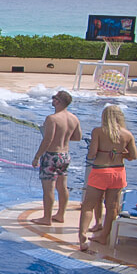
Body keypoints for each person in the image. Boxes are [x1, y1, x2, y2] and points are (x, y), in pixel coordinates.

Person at [79, 105, 137, 250]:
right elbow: (133, 156)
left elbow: (92, 154)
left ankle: (82, 236)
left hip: (100, 171)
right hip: (118, 172)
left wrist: (101, 152)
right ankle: (104, 236)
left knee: (88, 205)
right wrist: (118, 154)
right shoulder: (127, 134)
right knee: (112, 207)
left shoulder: (98, 131)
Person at [30, 90, 82, 226]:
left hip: (51, 155)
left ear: (58, 101)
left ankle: (46, 218)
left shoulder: (52, 119)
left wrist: (37, 157)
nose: (52, 100)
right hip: (65, 155)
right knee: (62, 186)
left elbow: (48, 140)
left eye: (54, 98)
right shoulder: (74, 118)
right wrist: (63, 136)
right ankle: (60, 214)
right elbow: (78, 137)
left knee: (48, 189)